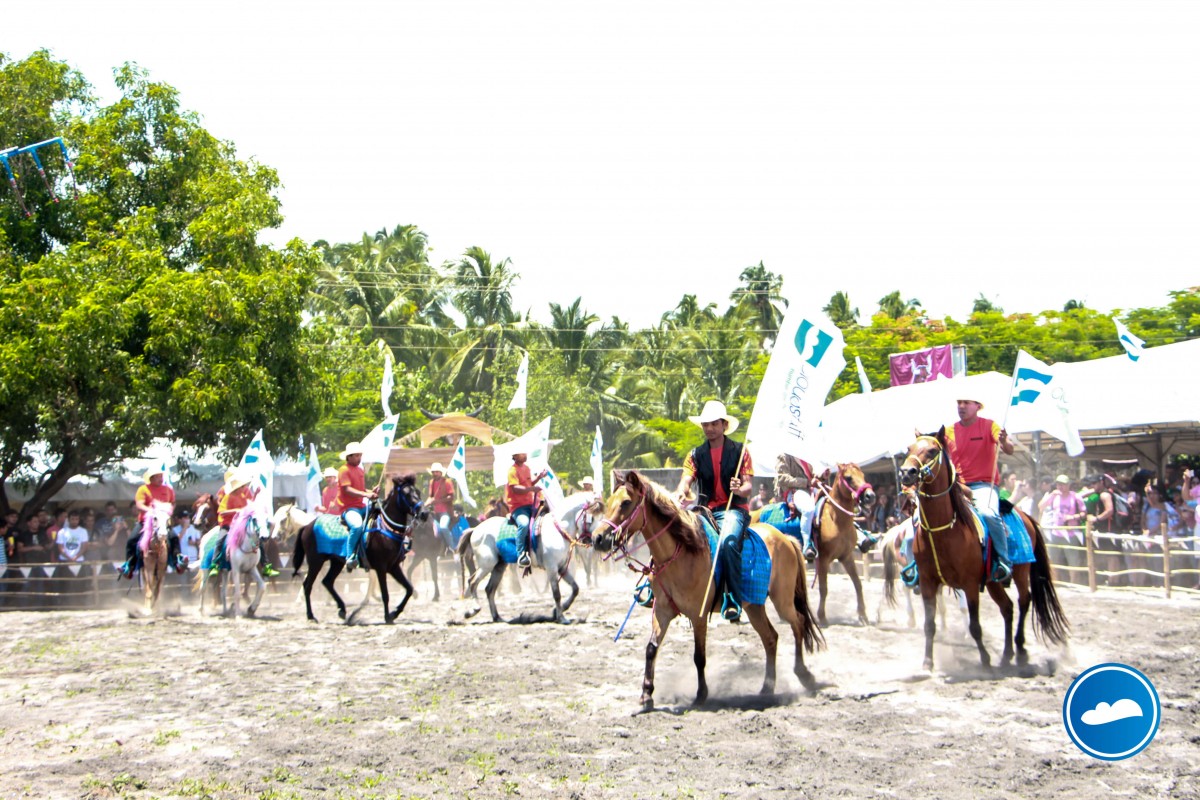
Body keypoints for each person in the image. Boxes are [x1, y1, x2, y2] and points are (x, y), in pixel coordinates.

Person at [674, 400, 754, 620]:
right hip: (704, 511)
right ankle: (661, 590)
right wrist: (682, 491)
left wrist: (740, 488)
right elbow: (686, 479)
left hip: (733, 510)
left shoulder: (741, 451)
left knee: (728, 542)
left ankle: (733, 599)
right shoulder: (695, 454)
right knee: (673, 534)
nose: (709, 428)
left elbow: (748, 488)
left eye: (713, 424)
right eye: (705, 424)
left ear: (724, 425)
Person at [943, 395, 1014, 583]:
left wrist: (1005, 441)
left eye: (966, 403)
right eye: (959, 402)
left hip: (984, 485)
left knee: (988, 513)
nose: (961, 406)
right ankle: (919, 563)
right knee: (926, 512)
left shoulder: (990, 425)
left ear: (977, 406)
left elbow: (1009, 449)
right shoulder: (949, 431)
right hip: (956, 486)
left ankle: (1004, 561)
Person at [120, 468, 181, 578]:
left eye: (161, 476)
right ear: (151, 478)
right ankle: (129, 566)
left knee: (174, 537)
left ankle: (178, 562)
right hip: (145, 522)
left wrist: (169, 510)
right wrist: (151, 511)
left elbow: (173, 503)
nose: (161, 479)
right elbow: (139, 504)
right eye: (158, 476)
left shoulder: (168, 489)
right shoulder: (143, 489)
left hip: (162, 522)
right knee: (132, 540)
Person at [1038, 474, 1087, 583]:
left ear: (1069, 485)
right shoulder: (1054, 496)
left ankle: (1074, 582)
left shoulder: (1075, 496)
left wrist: (1072, 517)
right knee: (1052, 559)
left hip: (1071, 533)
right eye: (1058, 484)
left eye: (1063, 484)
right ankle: (1055, 582)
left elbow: (1084, 513)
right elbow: (1041, 506)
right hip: (1056, 532)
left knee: (1073, 560)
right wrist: (1051, 495)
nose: (1060, 487)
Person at [337, 442, 378, 571]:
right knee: (357, 526)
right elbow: (348, 490)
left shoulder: (360, 470)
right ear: (348, 457)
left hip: (362, 506)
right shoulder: (344, 470)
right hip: (349, 508)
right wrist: (366, 494)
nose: (359, 458)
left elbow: (360, 489)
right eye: (356, 456)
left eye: (360, 455)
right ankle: (349, 557)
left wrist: (371, 491)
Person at [774, 453, 819, 561]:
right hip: (795, 491)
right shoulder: (784, 455)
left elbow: (811, 475)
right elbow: (782, 478)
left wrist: (820, 476)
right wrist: (806, 482)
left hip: (810, 490)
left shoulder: (805, 455)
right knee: (808, 510)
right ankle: (807, 544)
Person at [506, 451, 547, 569]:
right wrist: (531, 489)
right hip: (518, 507)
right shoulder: (512, 471)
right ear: (515, 456)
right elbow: (515, 488)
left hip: (531, 505)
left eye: (525, 453)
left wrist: (539, 477)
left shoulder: (527, 468)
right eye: (522, 454)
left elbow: (529, 483)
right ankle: (520, 555)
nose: (525, 455)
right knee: (524, 524)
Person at [427, 462, 457, 553]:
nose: (435, 474)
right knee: (432, 530)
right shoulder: (431, 482)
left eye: (437, 472)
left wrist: (438, 501)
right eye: (433, 472)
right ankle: (438, 549)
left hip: (445, 512)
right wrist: (425, 504)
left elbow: (451, 497)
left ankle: (453, 548)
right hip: (435, 512)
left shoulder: (447, 482)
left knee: (443, 527)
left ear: (441, 472)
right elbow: (430, 496)